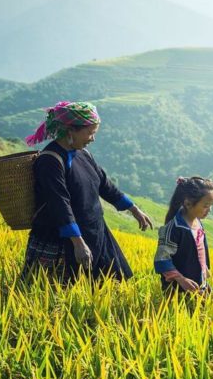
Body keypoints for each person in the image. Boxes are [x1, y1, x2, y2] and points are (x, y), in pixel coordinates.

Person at [20, 101, 153, 285]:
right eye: (90, 133)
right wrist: (78, 243)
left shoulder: (83, 154)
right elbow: (59, 203)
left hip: (95, 232)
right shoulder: (50, 160)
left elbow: (105, 185)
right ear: (70, 130)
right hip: (63, 239)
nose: (92, 139)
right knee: (57, 293)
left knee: (110, 285)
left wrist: (134, 209)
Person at [154, 176, 213, 295]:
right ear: (188, 203)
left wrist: (204, 276)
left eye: (211, 205)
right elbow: (161, 259)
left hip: (198, 287)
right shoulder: (174, 228)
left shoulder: (198, 223)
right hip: (177, 291)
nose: (209, 210)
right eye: (206, 206)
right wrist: (181, 280)